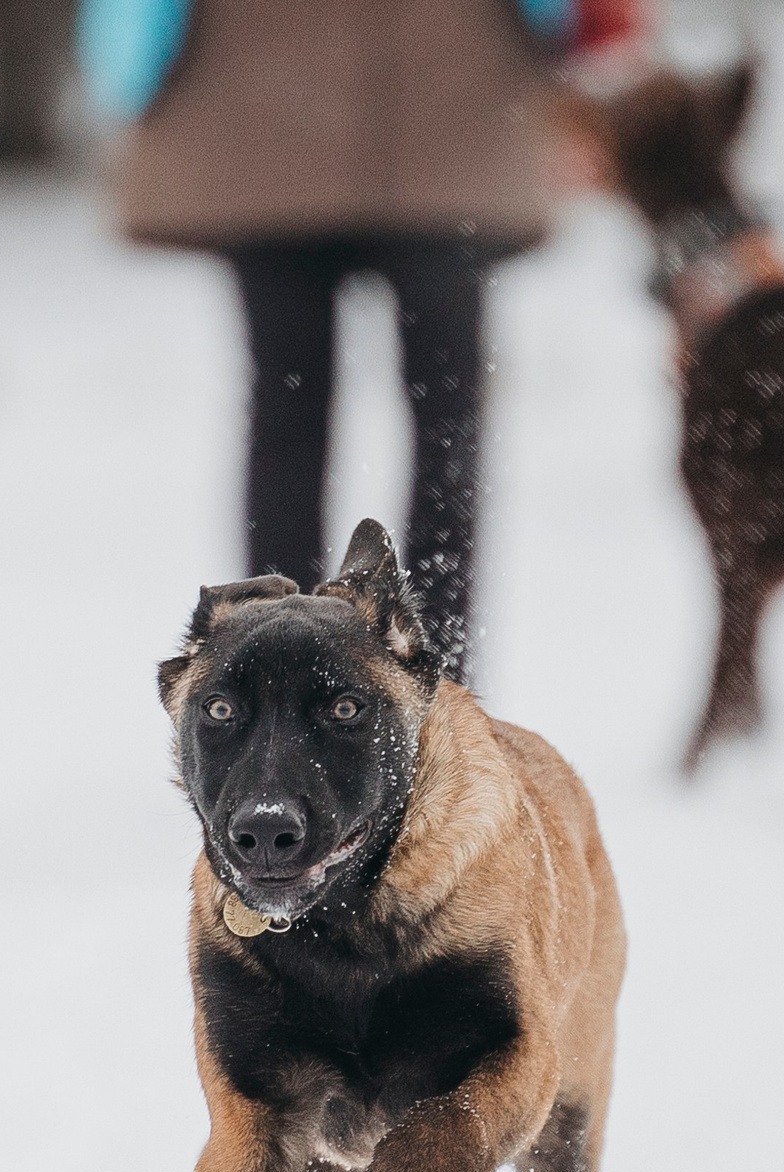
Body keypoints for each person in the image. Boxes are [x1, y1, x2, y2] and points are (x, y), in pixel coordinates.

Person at [81, 0, 645, 684]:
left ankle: (274, 672)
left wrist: (127, 62)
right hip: (452, 96)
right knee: (447, 417)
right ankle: (438, 679)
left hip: (261, 98)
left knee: (288, 412)